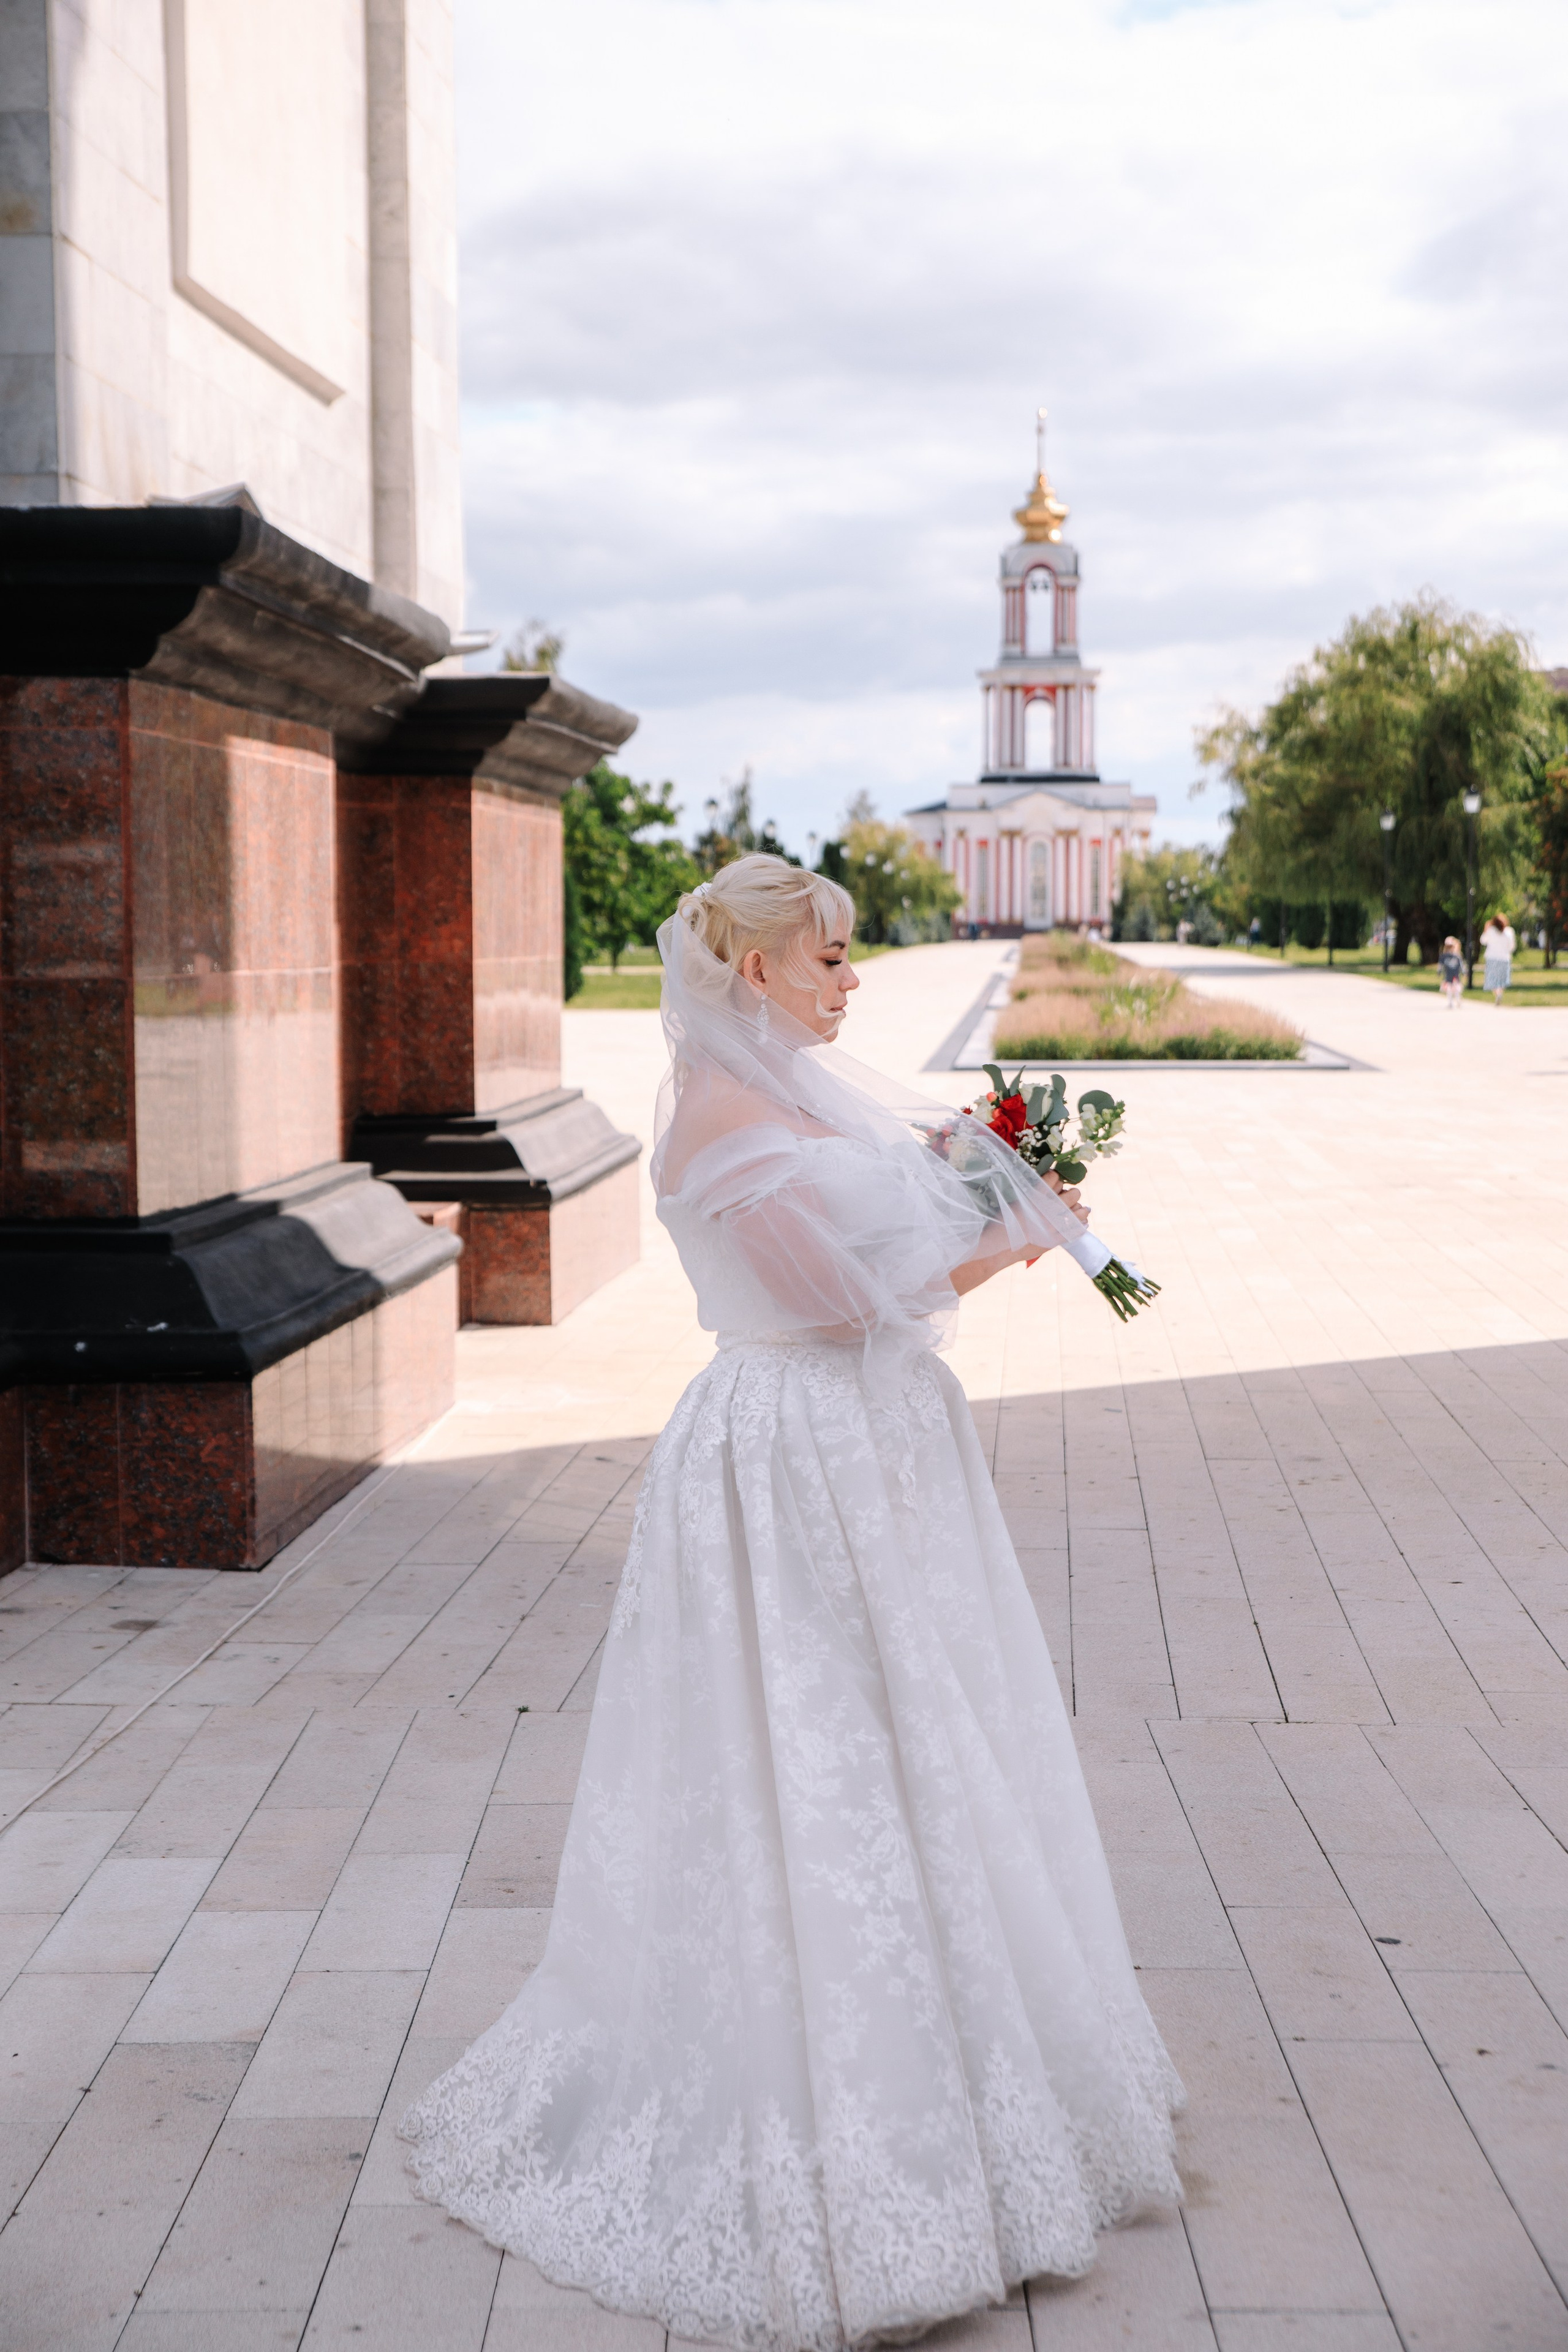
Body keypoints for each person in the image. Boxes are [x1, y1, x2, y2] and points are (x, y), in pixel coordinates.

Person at [401, 856, 1182, 2352]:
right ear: (752, 970)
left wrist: (979, 1170)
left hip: (877, 1446)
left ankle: (964, 2060)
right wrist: (1019, 1232)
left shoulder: (810, 1094)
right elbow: (831, 1304)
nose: (849, 979)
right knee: (804, 1742)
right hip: (789, 1456)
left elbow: (882, 1244)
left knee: (918, 1729)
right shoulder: (717, 1122)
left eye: (847, 955)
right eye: (826, 957)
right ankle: (830, 2107)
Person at [1480, 911, 1516, 1006]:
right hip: (1505, 958)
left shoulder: (1491, 931)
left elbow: (1483, 941)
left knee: (1493, 980)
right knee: (1502, 980)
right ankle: (1500, 993)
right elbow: (1512, 947)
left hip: (1492, 958)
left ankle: (1497, 994)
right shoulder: (1509, 932)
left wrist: (1486, 929)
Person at [1438, 935, 1464, 1011]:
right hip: (1447, 975)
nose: (1450, 948)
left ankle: (1458, 1000)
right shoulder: (1444, 956)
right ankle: (1450, 1002)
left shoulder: (1457, 956)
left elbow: (1461, 965)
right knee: (1449, 989)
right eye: (1448, 946)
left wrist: (1464, 972)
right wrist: (1439, 971)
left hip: (1455, 975)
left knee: (1456, 989)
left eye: (1451, 946)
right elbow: (1440, 965)